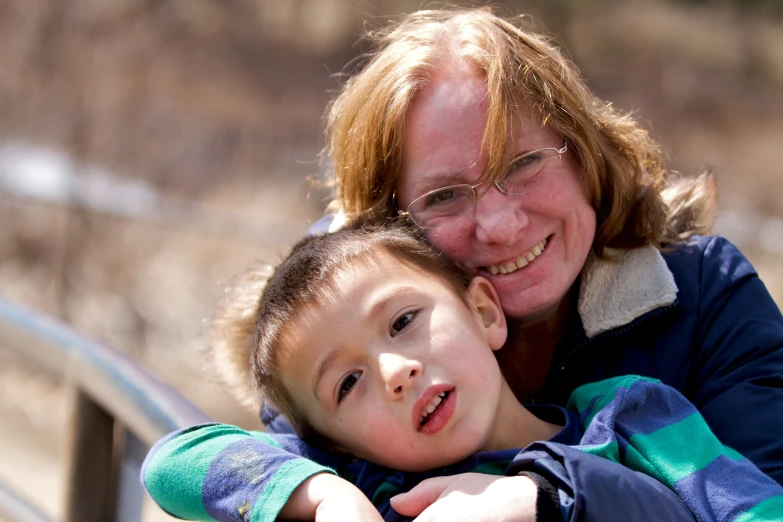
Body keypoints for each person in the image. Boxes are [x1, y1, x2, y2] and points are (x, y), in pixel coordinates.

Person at [151, 6, 783, 521]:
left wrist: (550, 495)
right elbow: (194, 462)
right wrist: (319, 492)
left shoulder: (656, 379)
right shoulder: (345, 320)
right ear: (391, 224)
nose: (502, 225)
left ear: (583, 155)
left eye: (525, 162)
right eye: (445, 195)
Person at [141, 219, 783, 522]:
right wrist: (326, 495)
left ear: (483, 312)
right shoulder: (369, 479)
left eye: (401, 322)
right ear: (333, 441)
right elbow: (173, 462)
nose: (394, 371)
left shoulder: (631, 418)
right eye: (347, 384)